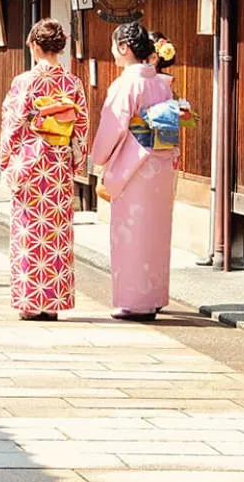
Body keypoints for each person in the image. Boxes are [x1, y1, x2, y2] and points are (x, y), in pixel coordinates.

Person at [0, 19, 89, 321]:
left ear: (35, 46)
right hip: (59, 165)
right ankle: (53, 304)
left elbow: (12, 125)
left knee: (28, 231)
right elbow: (81, 127)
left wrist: (6, 161)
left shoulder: (24, 82)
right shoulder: (73, 84)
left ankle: (29, 302)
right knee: (57, 234)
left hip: (30, 163)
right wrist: (77, 161)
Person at [90, 21, 178, 321]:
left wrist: (98, 157)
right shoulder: (162, 83)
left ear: (124, 48)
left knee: (131, 232)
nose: (113, 52)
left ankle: (135, 300)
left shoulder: (127, 83)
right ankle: (154, 297)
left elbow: (114, 126)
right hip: (161, 164)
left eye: (114, 46)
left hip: (135, 166)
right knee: (156, 232)